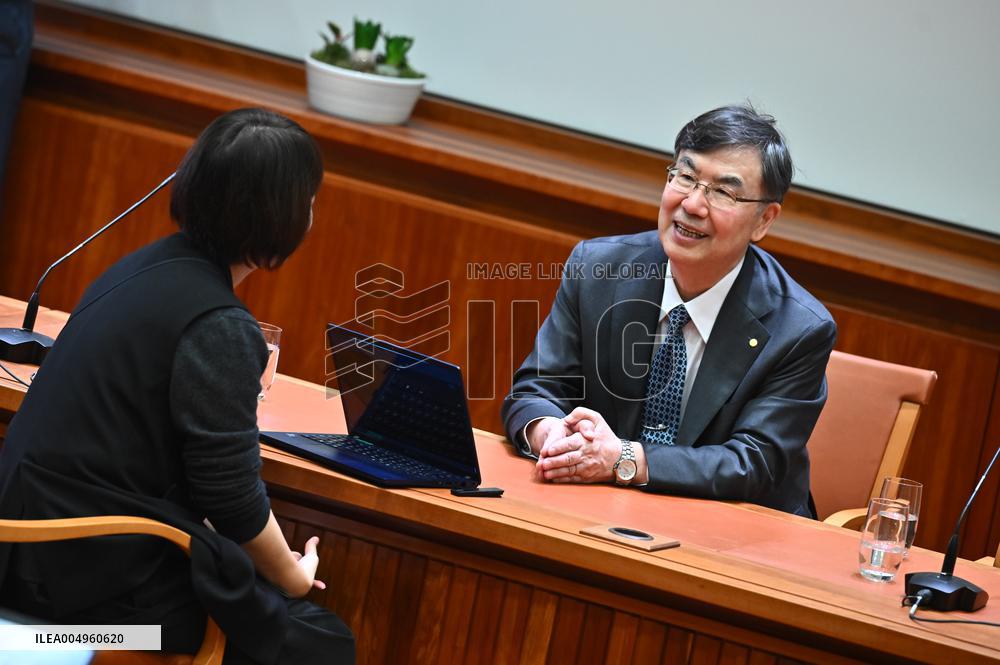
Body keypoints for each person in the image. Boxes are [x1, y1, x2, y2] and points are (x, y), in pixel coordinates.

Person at [0, 108, 355, 663]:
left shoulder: (141, 266)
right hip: (84, 596)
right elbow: (231, 498)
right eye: (309, 198)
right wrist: (291, 576)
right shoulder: (219, 325)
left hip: (25, 549)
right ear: (282, 215)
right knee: (319, 643)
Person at [501, 105, 836, 518]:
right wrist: (555, 437)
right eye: (686, 177)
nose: (693, 204)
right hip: (600, 509)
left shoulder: (800, 329)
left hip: (733, 532)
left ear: (764, 220)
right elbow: (536, 388)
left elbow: (753, 463)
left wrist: (624, 459)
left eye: (724, 192)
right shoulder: (597, 269)